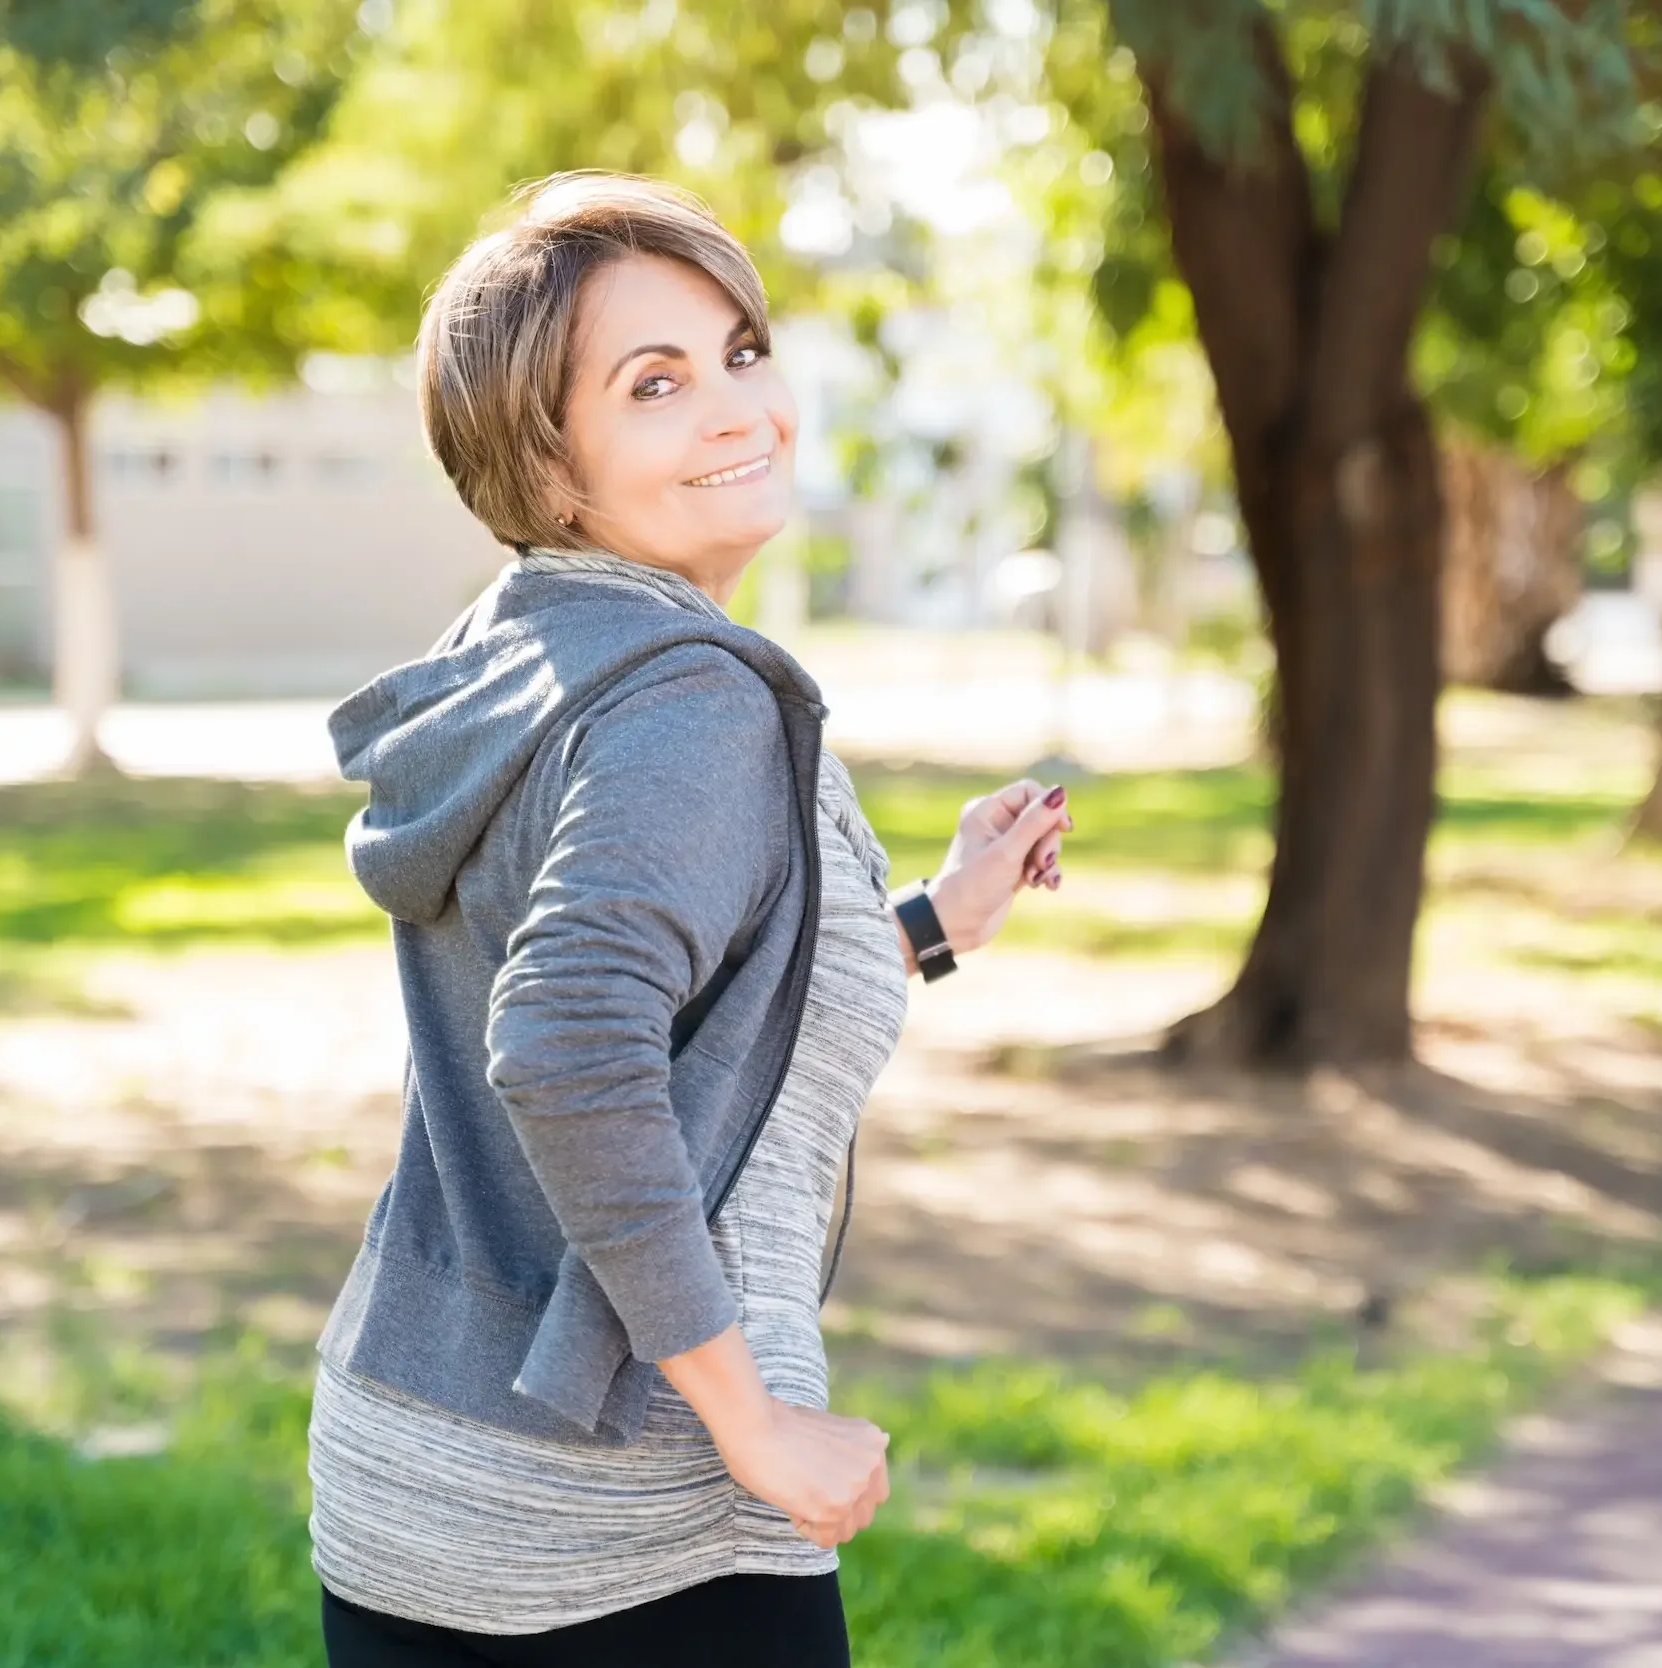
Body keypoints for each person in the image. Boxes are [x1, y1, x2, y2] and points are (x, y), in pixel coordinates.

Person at [309, 170, 1075, 1668]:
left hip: (411, 1468)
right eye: (655, 383)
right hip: (628, 1516)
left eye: (740, 352)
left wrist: (926, 923)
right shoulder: (689, 700)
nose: (743, 410)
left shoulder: (526, 649)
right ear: (543, 472)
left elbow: (671, 1000)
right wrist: (755, 1422)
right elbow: (570, 1044)